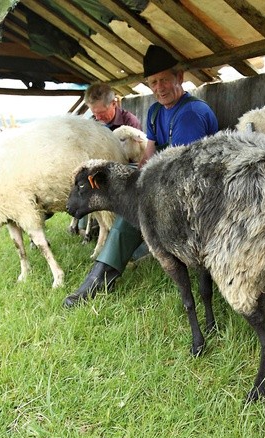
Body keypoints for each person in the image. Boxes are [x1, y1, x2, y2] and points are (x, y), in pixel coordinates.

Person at [64, 45, 219, 308]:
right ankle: (131, 250)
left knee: (136, 207)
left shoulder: (191, 113)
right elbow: (148, 157)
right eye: (153, 82)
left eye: (165, 80)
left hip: (198, 193)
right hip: (165, 181)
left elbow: (182, 172)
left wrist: (137, 191)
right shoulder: (156, 111)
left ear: (179, 77)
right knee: (116, 189)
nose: (159, 88)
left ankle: (99, 278)